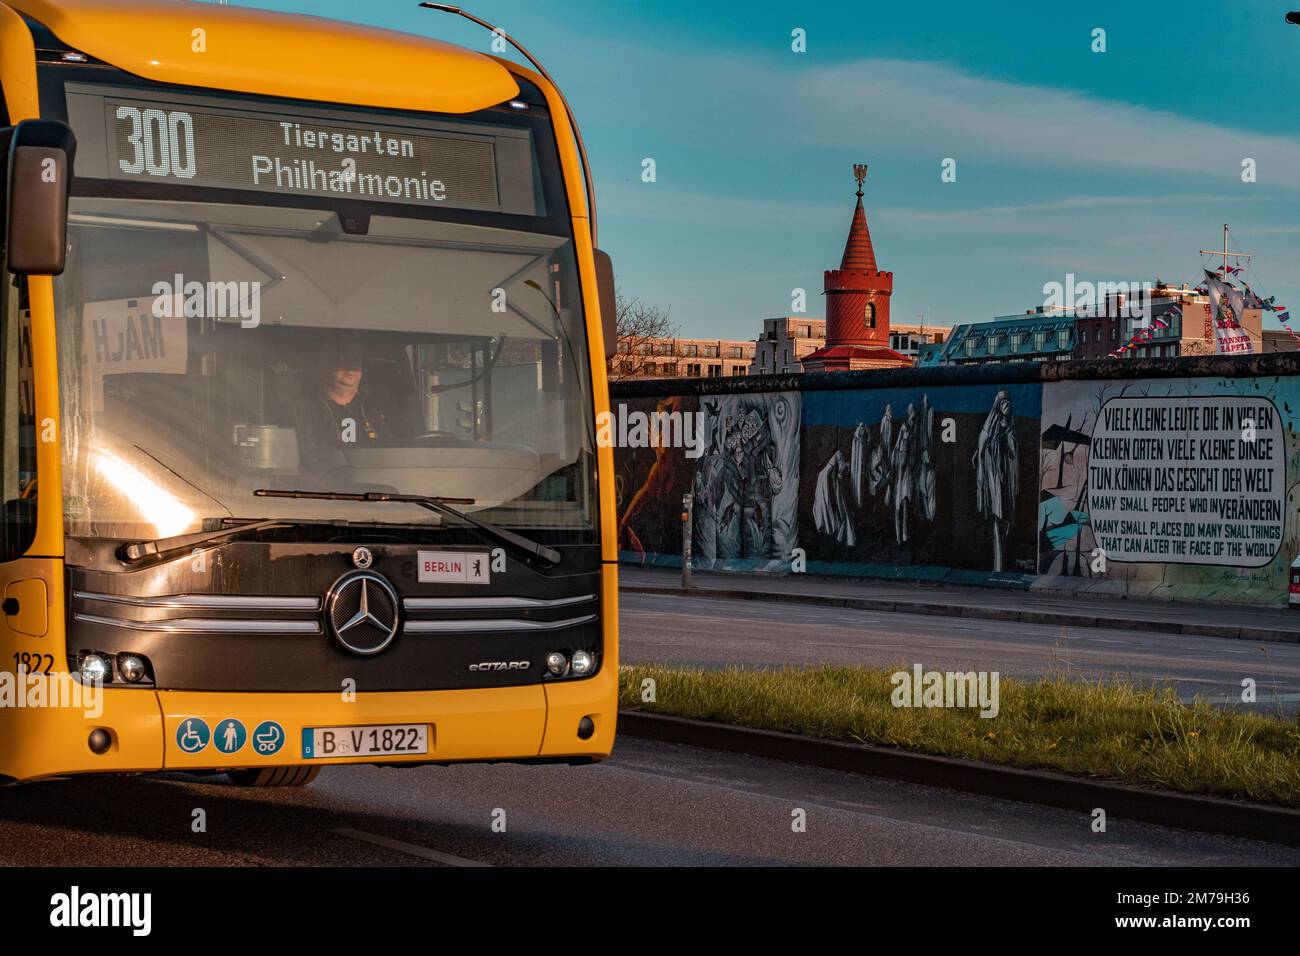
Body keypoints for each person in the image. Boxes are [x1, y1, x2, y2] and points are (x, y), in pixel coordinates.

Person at [292, 337, 393, 471]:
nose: (351, 367)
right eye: (343, 361)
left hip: (375, 485)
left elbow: (392, 455)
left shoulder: (375, 407)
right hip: (323, 488)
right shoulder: (303, 408)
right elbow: (303, 462)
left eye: (356, 361)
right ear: (327, 365)